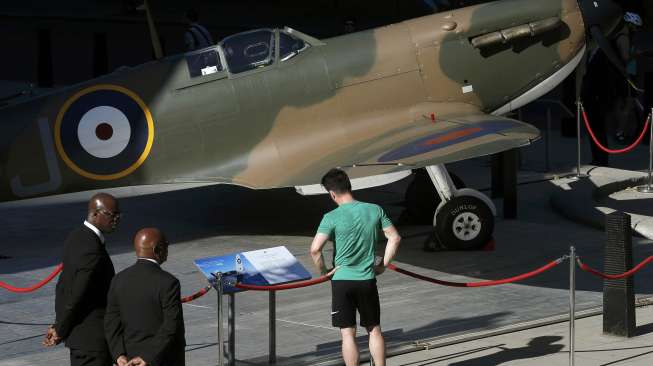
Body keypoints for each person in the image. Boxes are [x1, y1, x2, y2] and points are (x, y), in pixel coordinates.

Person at [310, 168, 401, 366]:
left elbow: (315, 250)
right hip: (367, 279)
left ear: (332, 193)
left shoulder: (330, 217)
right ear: (349, 186)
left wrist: (324, 273)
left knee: (347, 334)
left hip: (342, 280)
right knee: (374, 329)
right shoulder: (375, 209)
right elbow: (394, 238)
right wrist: (382, 266)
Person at [43, 193, 121, 366]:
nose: (116, 220)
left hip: (82, 339)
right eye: (111, 215)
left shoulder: (76, 236)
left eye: (118, 215)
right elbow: (77, 292)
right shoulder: (91, 248)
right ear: (94, 214)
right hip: (91, 342)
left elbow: (63, 287)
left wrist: (59, 325)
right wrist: (60, 328)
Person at [104, 228, 186, 366]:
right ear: (157, 249)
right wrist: (148, 357)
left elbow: (111, 322)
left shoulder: (118, 279)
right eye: (166, 245)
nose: (167, 249)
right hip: (162, 358)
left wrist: (118, 354)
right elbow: (171, 325)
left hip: (129, 358)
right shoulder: (168, 283)